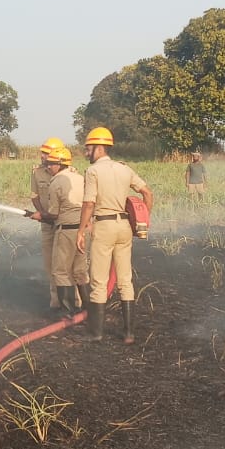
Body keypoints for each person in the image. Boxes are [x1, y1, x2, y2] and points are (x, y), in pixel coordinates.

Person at [76, 127, 153, 344]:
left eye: (88, 148)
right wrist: (144, 220)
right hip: (125, 227)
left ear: (98, 148)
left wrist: (81, 230)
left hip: (104, 225)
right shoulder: (124, 169)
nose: (86, 152)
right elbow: (147, 192)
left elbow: (89, 203)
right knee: (125, 280)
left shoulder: (93, 172)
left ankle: (96, 333)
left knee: (99, 281)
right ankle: (129, 333)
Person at [37, 146, 89, 315]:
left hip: (65, 231)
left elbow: (53, 214)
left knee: (60, 271)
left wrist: (39, 215)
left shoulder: (56, 182)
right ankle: (88, 310)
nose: (48, 167)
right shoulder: (80, 178)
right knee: (80, 270)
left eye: (51, 164)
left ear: (60, 164)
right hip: (82, 230)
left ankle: (67, 313)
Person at [30, 137, 64, 309]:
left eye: (46, 153)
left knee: (67, 263)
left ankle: (77, 301)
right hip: (47, 224)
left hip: (64, 225)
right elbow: (35, 196)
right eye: (42, 153)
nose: (42, 156)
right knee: (49, 263)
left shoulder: (70, 174)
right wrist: (42, 214)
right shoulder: (36, 172)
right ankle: (56, 301)